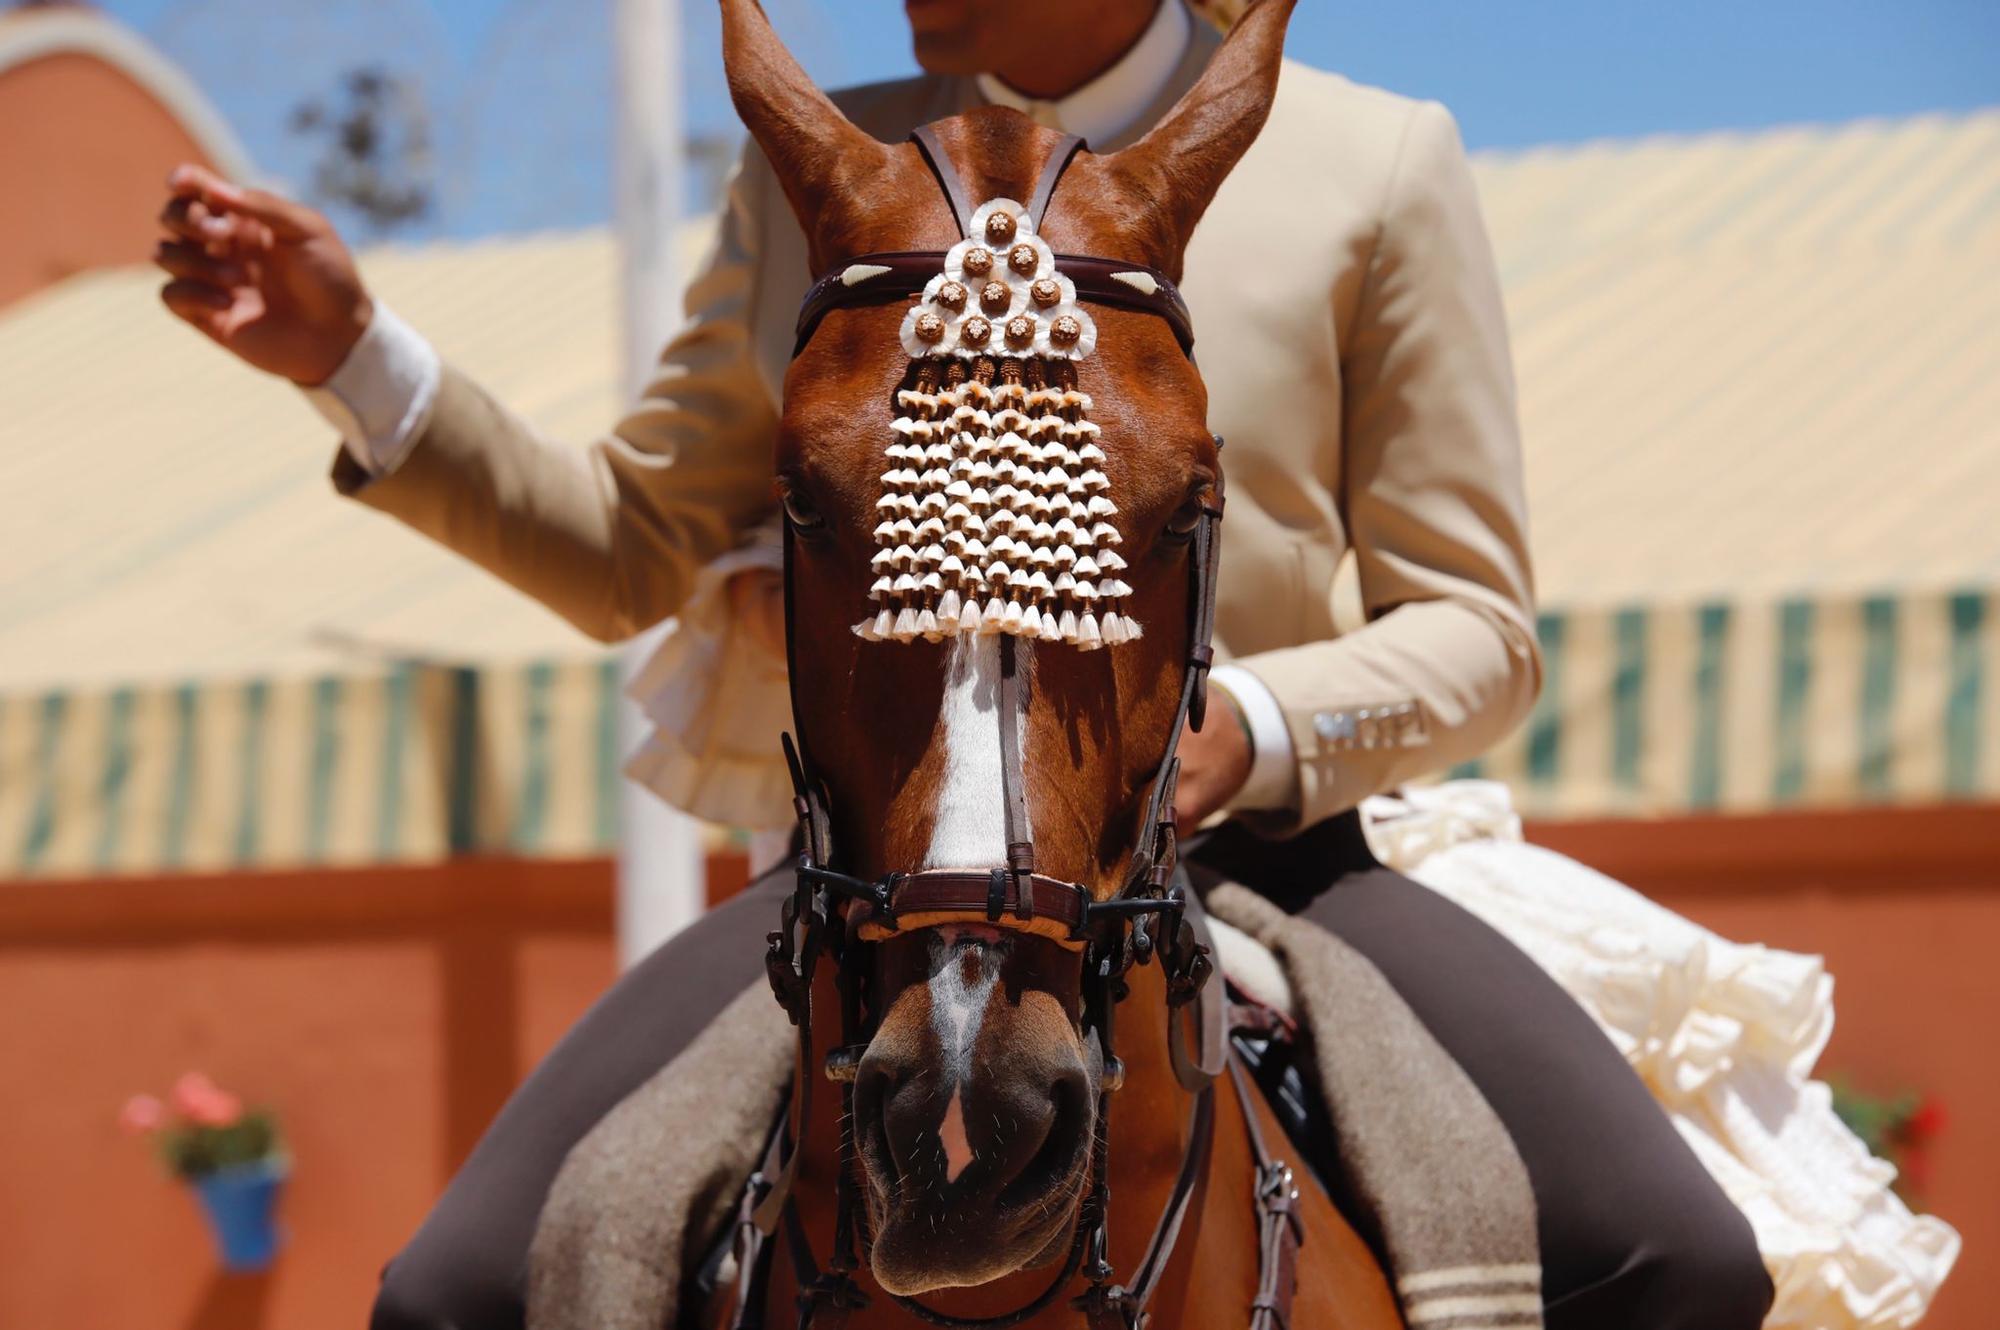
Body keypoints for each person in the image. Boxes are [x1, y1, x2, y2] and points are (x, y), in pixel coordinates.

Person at [154, 2, 1776, 1327]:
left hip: (1269, 850)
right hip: (873, 888)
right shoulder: (821, 165)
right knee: (451, 1292)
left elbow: (1477, 624)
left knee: (1678, 1259)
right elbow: (638, 543)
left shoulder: (1370, 164)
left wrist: (1256, 725)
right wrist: (353, 360)